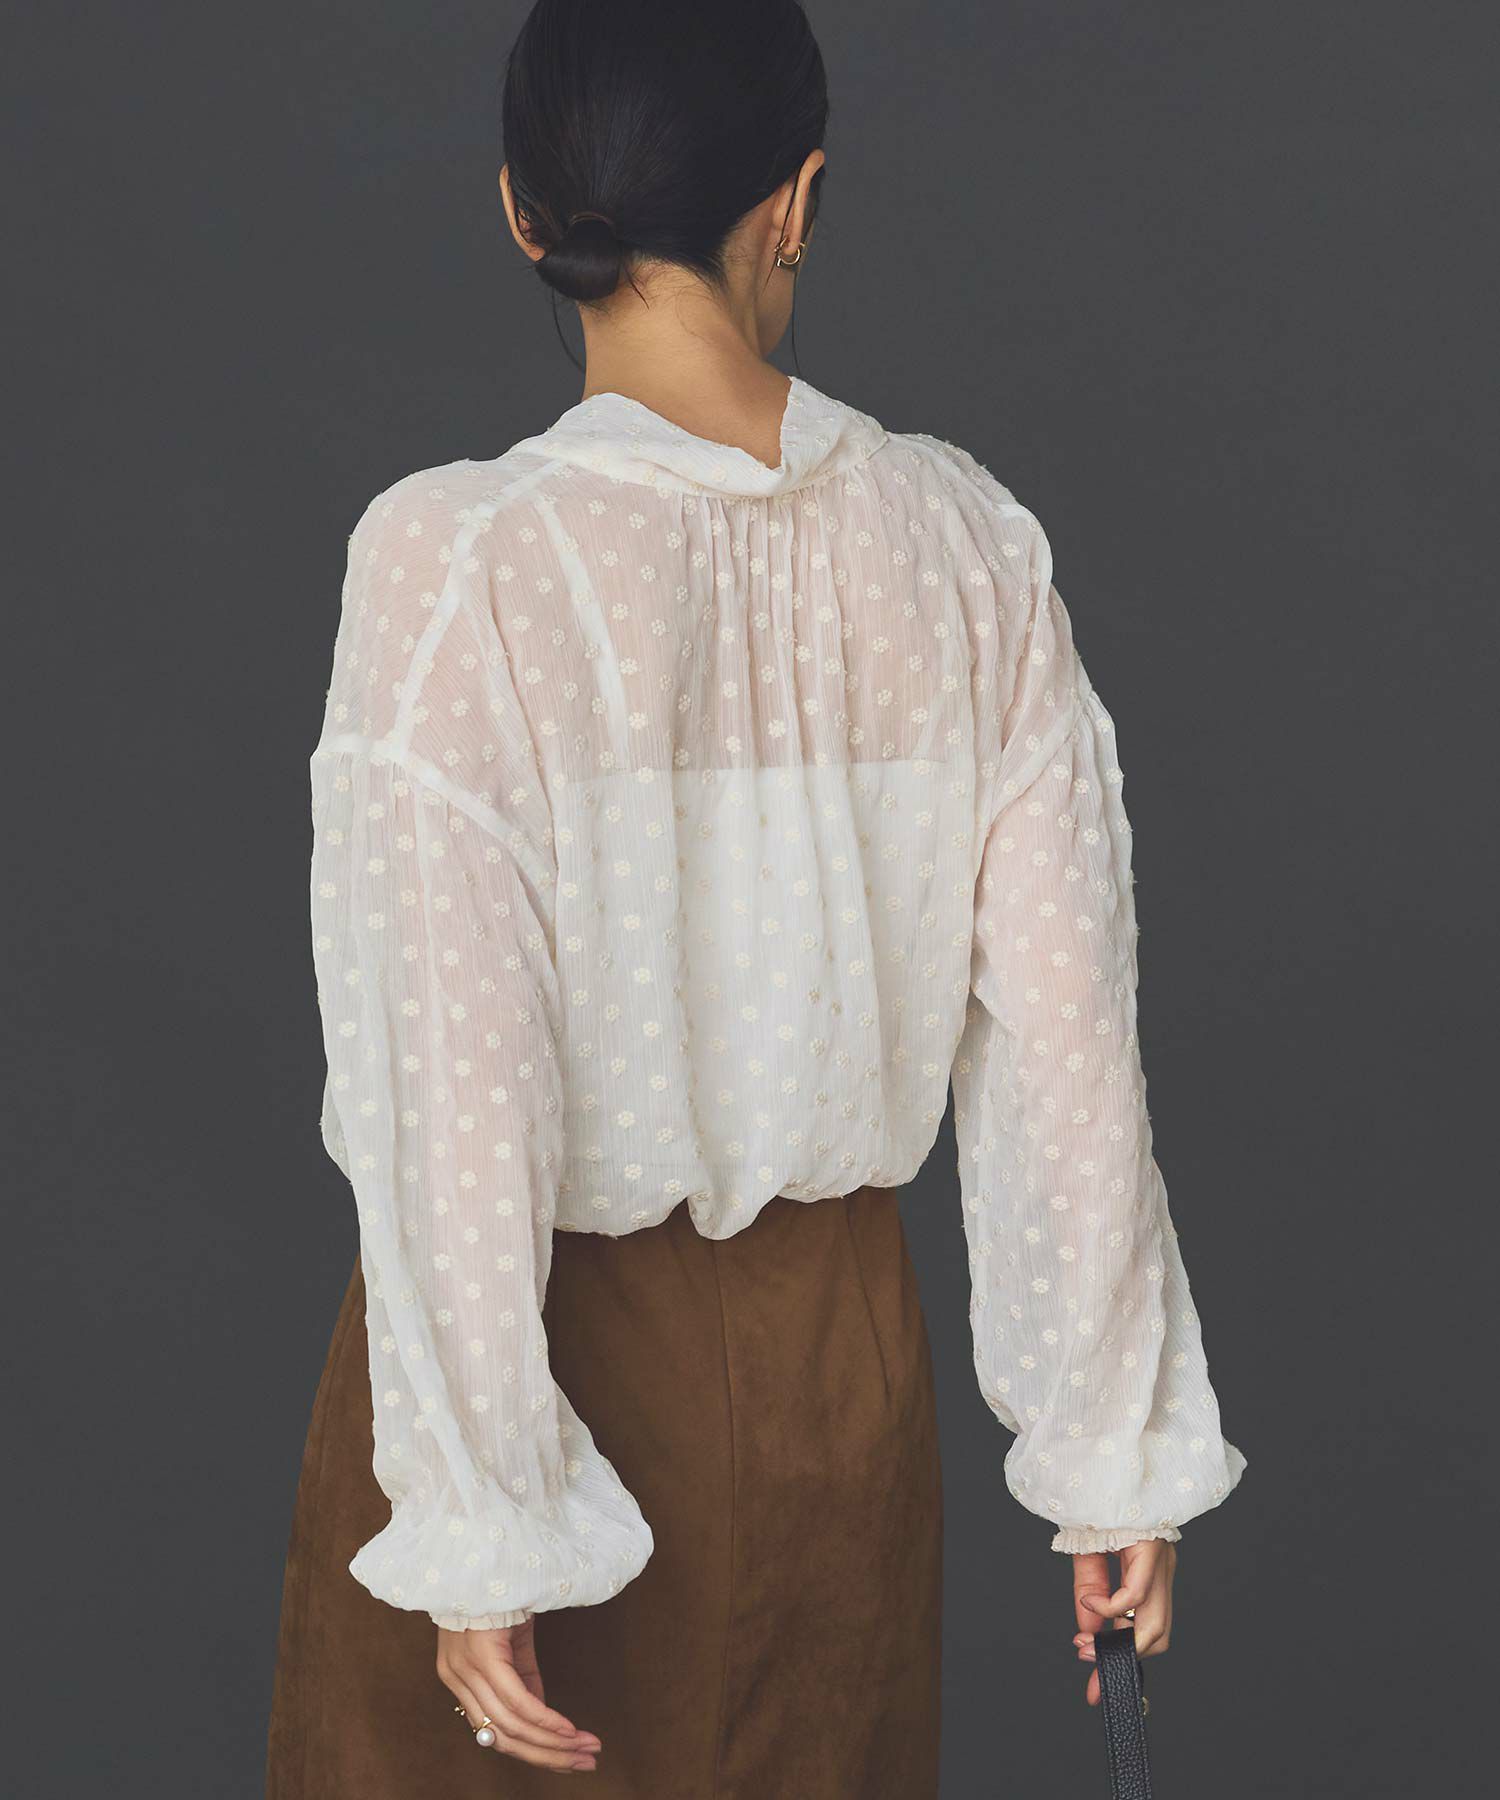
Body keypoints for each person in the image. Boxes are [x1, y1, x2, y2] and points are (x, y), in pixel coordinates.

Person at [265, 1, 1245, 1793]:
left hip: (546, 1371)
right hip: (841, 1392)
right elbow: (1067, 1049)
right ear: (792, 202)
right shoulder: (965, 549)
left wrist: (483, 1521)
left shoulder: (460, 567)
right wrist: (1113, 1458)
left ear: (520, 208)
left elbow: (448, 1088)